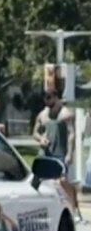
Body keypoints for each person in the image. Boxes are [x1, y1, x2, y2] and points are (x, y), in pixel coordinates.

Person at [33, 88, 81, 220]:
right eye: (45, 98)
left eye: (49, 97)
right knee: (36, 181)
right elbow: (35, 132)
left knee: (63, 181)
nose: (46, 100)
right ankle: (37, 210)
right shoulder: (42, 115)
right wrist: (40, 139)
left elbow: (72, 134)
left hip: (60, 153)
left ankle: (75, 210)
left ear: (56, 97)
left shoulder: (66, 114)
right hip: (45, 153)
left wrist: (70, 153)